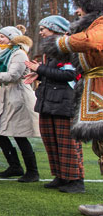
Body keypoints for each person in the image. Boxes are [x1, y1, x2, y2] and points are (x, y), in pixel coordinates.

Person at [45, 0, 103, 216]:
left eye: (81, 7)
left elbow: (93, 41)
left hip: (100, 85)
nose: (77, 12)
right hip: (95, 86)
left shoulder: (100, 24)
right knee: (100, 148)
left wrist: (60, 43)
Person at [23, 15, 84, 193]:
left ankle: (76, 180)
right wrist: (40, 74)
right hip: (49, 101)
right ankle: (61, 176)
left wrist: (40, 69)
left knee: (68, 144)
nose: (41, 32)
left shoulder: (70, 48)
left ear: (56, 30)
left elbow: (71, 75)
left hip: (65, 103)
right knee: (52, 141)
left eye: (44, 29)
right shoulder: (51, 51)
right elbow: (55, 73)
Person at [0, 25, 40, 182]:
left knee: (19, 135)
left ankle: (32, 171)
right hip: (7, 96)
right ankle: (15, 166)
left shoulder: (19, 54)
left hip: (18, 97)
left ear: (12, 38)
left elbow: (12, 76)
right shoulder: (6, 54)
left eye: (3, 36)